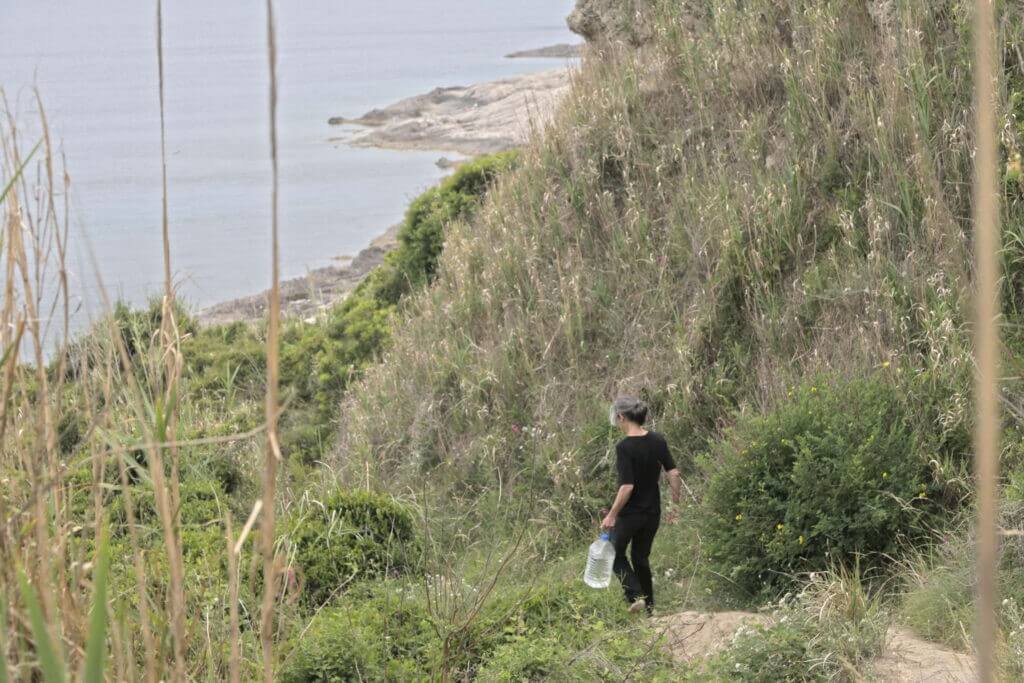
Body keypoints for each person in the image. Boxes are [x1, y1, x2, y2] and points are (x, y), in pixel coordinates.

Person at [601, 396, 682, 615]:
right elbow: (673, 473)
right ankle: (650, 610)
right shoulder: (658, 440)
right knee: (640, 557)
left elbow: (627, 486)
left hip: (630, 515)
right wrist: (675, 507)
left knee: (615, 555)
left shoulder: (624, 447)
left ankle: (636, 597)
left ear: (621, 417)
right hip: (652, 512)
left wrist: (612, 515)